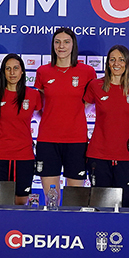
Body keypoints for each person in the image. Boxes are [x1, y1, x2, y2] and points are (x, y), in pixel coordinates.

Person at [34, 27, 97, 198]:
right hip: (48, 140)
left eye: (66, 42)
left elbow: (89, 102)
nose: (61, 46)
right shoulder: (43, 71)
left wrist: (74, 115)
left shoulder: (87, 72)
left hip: (76, 140)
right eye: (57, 42)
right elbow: (39, 105)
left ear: (73, 45)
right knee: (51, 197)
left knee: (75, 198)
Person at [84, 45, 129, 207]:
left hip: (127, 157)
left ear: (127, 63)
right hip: (99, 156)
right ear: (107, 63)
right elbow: (78, 114)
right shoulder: (96, 85)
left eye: (121, 60)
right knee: (100, 207)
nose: (117, 63)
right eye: (112, 59)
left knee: (125, 207)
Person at [0, 54, 42, 205]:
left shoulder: (33, 95)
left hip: (23, 155)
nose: (12, 72)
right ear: (3, 72)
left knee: (21, 202)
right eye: (8, 68)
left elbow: (42, 119)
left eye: (16, 68)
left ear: (22, 71)